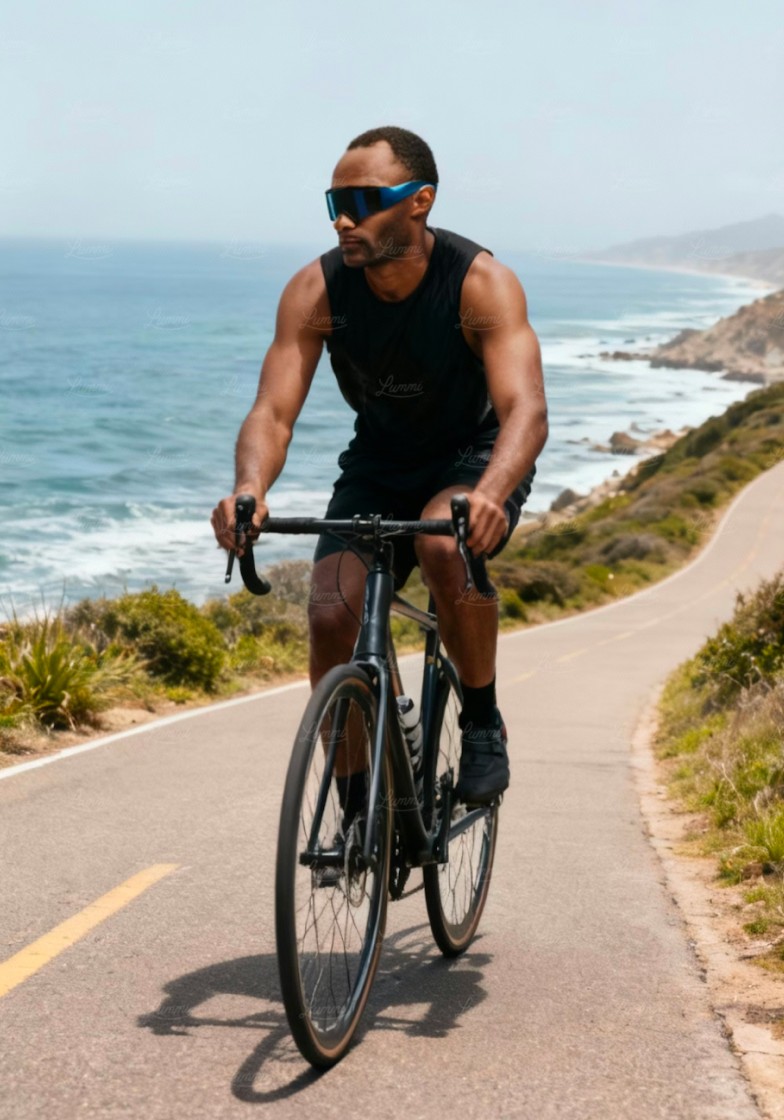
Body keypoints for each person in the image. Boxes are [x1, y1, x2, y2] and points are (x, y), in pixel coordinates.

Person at [212, 125, 548, 806]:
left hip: (472, 462)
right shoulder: (318, 289)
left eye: (364, 201)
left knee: (444, 543)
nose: (343, 218)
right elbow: (273, 412)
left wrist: (491, 493)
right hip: (378, 463)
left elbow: (526, 413)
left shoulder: (479, 283)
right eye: (335, 201)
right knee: (333, 614)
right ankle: (360, 804)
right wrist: (249, 488)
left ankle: (482, 724)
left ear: (420, 201)